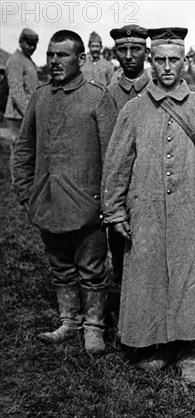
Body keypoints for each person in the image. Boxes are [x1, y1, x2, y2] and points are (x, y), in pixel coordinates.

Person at [101, 27, 195, 387]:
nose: (166, 67)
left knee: (190, 279)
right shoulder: (133, 110)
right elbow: (116, 163)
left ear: (184, 61)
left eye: (173, 60)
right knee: (148, 278)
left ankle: (190, 353)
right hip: (144, 210)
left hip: (189, 213)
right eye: (159, 60)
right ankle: (156, 344)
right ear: (150, 60)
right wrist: (115, 211)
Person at [13, 30, 117, 355]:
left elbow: (113, 158)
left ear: (81, 59)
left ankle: (94, 328)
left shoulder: (98, 97)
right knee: (60, 266)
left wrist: (107, 203)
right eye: (51, 55)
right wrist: (25, 192)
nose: (55, 62)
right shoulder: (40, 96)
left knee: (92, 269)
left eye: (63, 55)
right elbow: (23, 149)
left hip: (89, 208)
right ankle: (69, 322)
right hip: (48, 204)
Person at [105, 25, 151, 284]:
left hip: (153, 190)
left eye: (136, 49)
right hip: (121, 195)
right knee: (121, 258)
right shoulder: (108, 96)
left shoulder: (158, 89)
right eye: (123, 49)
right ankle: (125, 317)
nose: (129, 55)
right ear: (116, 53)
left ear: (146, 52)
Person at [5, 28, 38, 184]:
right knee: (19, 148)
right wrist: (28, 114)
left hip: (26, 112)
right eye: (29, 44)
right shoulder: (15, 60)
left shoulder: (27, 60)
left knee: (28, 149)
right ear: (20, 42)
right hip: (18, 114)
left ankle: (25, 179)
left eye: (34, 44)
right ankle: (17, 181)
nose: (32, 47)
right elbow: (16, 91)